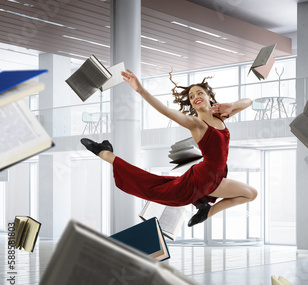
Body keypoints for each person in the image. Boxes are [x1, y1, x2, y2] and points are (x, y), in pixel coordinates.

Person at [81, 69, 257, 227]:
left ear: (208, 96)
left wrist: (232, 105)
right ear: (191, 104)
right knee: (151, 184)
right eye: (191, 96)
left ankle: (205, 210)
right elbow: (165, 110)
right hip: (206, 178)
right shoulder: (196, 123)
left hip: (216, 174)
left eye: (200, 92)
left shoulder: (221, 116)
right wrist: (140, 90)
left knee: (252, 193)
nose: (195, 96)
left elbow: (249, 101)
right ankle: (104, 153)